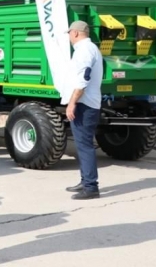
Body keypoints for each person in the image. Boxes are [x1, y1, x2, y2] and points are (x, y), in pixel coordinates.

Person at [63, 20, 103, 200]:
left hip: (84, 104)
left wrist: (72, 103)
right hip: (88, 103)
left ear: (76, 33)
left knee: (85, 145)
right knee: (82, 145)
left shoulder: (84, 50)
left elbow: (83, 79)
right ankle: (85, 180)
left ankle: (90, 187)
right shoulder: (90, 48)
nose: (69, 36)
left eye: (69, 33)